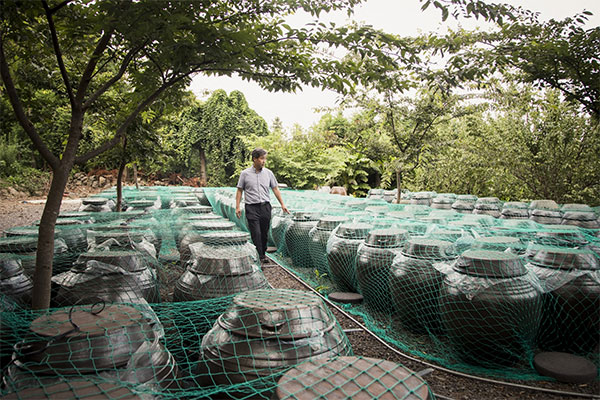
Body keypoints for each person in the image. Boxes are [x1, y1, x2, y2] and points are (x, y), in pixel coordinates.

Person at [236, 148, 289, 263]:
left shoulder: (269, 173)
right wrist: (237, 206)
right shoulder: (244, 174)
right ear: (255, 159)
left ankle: (262, 252)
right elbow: (239, 190)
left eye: (265, 159)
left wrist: (282, 204)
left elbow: (275, 189)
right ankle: (260, 256)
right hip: (251, 207)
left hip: (265, 207)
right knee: (256, 232)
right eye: (262, 158)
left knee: (264, 232)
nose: (264, 161)